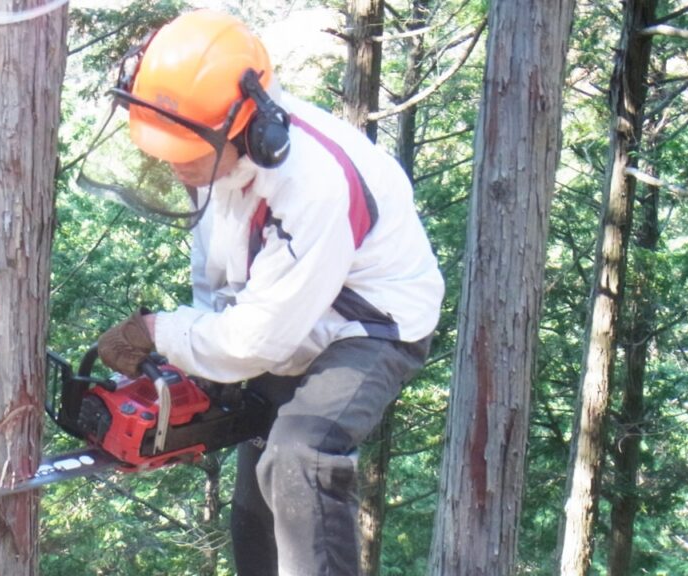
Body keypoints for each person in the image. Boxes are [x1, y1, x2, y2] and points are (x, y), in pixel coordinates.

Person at [94, 9, 444, 576]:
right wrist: (193, 354)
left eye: (188, 154)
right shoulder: (217, 164)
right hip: (289, 311)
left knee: (299, 459)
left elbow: (254, 339)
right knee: (258, 488)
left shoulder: (312, 184)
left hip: (372, 323)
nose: (177, 167)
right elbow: (218, 275)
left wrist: (161, 332)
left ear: (251, 131)